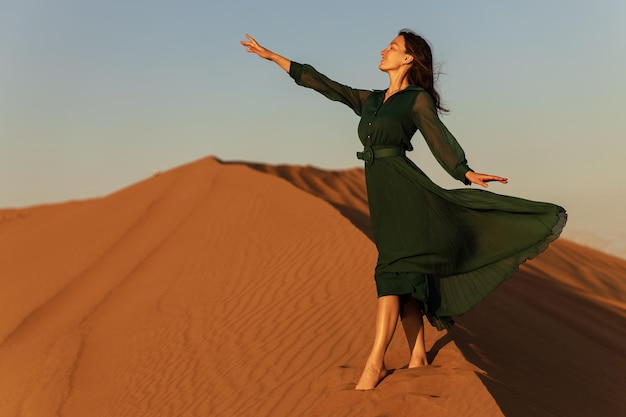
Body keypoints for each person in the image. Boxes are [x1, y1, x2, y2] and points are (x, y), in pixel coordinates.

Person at [241, 30, 566, 390]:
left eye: (392, 48)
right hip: (382, 196)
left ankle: (375, 362)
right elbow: (326, 85)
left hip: (405, 190)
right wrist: (274, 58)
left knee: (391, 271)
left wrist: (464, 171)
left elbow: (438, 137)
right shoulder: (373, 100)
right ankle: (417, 355)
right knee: (406, 272)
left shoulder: (416, 100)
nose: (383, 51)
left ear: (408, 59)